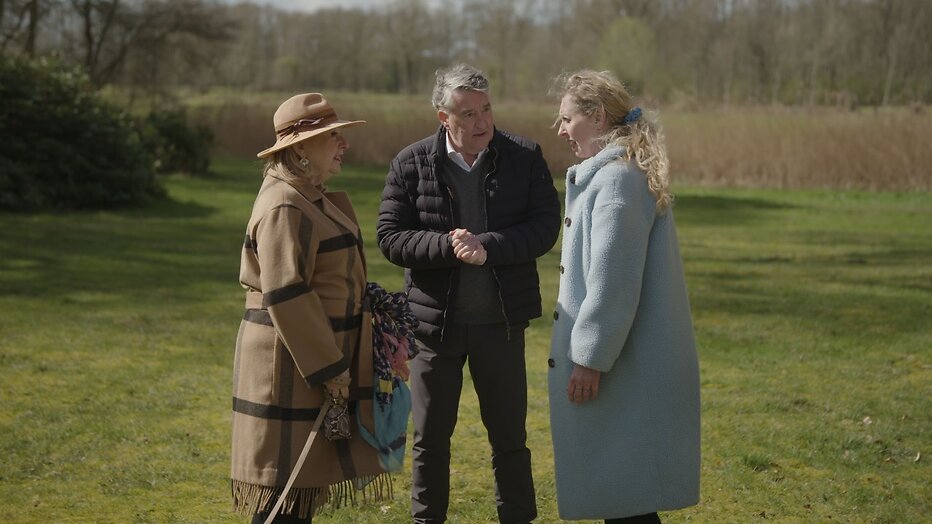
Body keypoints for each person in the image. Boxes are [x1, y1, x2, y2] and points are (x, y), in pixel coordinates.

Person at [377, 64, 561, 524]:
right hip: (433, 329)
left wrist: (488, 247)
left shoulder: (524, 156)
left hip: (500, 322)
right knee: (430, 440)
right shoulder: (410, 162)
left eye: (487, 109)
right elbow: (390, 237)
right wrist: (448, 246)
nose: (482, 122)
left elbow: (544, 228)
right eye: (468, 114)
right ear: (444, 118)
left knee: (510, 439)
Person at [548, 70, 701, 523]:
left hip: (619, 364)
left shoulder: (615, 181)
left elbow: (612, 282)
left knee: (625, 499)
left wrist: (590, 358)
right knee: (625, 497)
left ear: (597, 117)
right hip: (626, 360)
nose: (560, 130)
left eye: (567, 119)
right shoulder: (619, 174)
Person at [231, 93, 390, 523]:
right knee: (283, 499)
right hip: (292, 366)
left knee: (296, 498)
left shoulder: (304, 196)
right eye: (333, 136)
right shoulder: (285, 203)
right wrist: (330, 370)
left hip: (306, 361)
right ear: (300, 148)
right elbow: (287, 293)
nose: (344, 144)